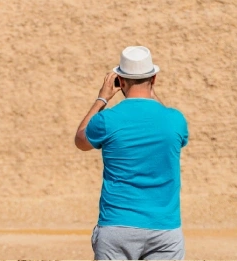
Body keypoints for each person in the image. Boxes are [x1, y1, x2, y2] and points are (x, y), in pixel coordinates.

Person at [75, 46, 189, 260]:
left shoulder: (106, 120)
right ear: (154, 79)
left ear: (120, 81)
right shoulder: (175, 120)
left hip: (117, 226)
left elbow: (81, 140)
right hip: (165, 229)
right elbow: (174, 134)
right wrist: (151, 94)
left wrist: (102, 99)